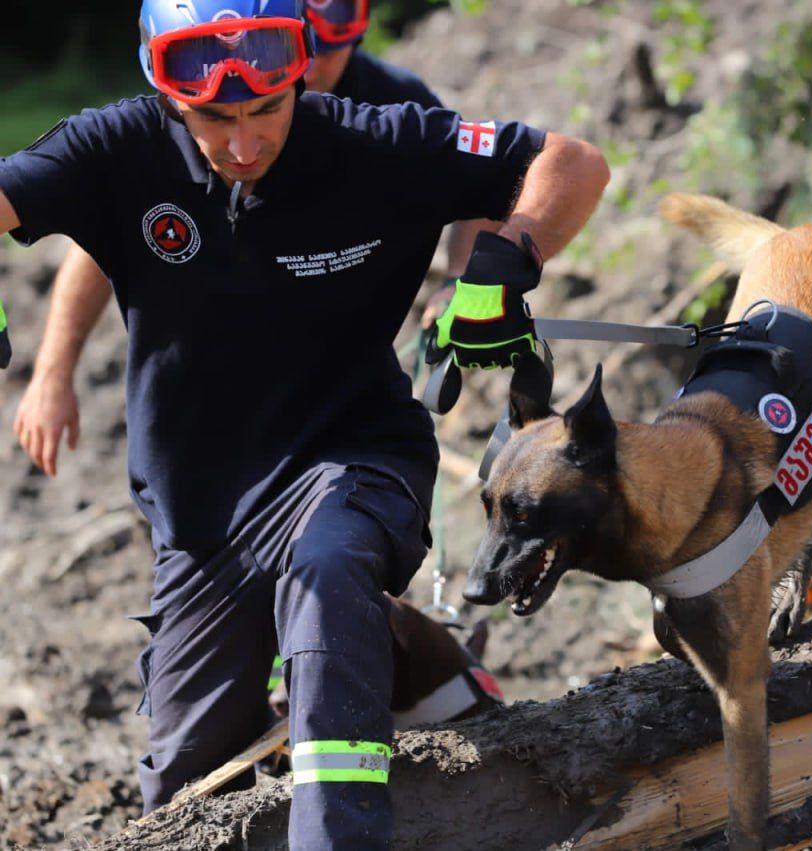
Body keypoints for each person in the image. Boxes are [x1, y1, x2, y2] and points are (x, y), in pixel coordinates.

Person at [0, 1, 609, 848]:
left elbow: (569, 162)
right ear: (167, 94)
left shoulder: (375, 138)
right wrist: (47, 369)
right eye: (217, 117)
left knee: (325, 571)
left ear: (298, 78)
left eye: (267, 110)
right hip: (202, 517)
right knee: (187, 789)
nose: (245, 143)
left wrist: (506, 263)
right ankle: (419, 662)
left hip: (351, 454)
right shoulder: (114, 149)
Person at [13, 0, 486, 477]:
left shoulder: (393, 105)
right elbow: (102, 235)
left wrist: (462, 279)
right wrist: (53, 373)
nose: (318, 58)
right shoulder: (194, 112)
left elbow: (479, 184)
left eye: (333, 32)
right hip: (204, 400)